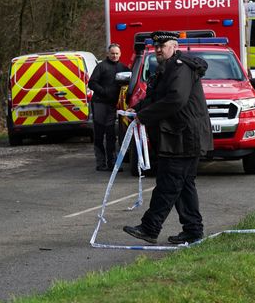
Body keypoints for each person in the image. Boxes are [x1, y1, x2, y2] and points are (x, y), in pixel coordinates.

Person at [122, 31, 213, 245]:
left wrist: (144, 116)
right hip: (178, 137)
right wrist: (136, 109)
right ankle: (193, 230)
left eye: (163, 46)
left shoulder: (180, 68)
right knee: (183, 186)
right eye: (156, 47)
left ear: (174, 46)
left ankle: (150, 228)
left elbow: (175, 100)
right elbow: (156, 97)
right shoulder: (167, 69)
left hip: (183, 137)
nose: (159, 50)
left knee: (168, 184)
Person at [88, 43, 130, 171]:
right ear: (108, 54)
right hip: (100, 103)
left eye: (117, 53)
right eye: (112, 53)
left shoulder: (123, 68)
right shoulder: (101, 67)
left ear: (120, 54)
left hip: (112, 106)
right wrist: (104, 92)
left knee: (111, 135)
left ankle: (112, 164)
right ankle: (101, 164)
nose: (115, 56)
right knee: (100, 134)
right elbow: (92, 83)